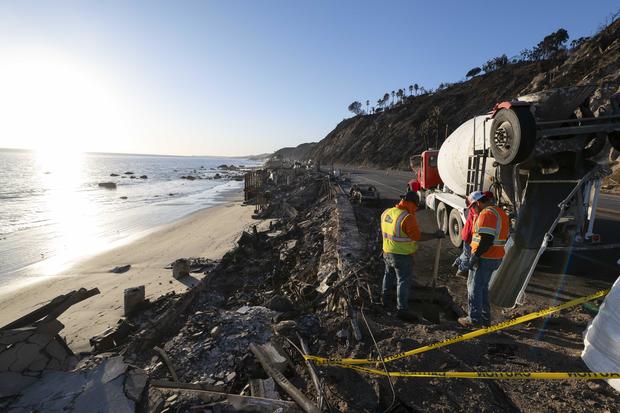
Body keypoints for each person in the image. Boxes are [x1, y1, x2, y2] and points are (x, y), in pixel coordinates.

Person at [381, 191, 445, 322]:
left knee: (388, 275)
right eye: (415, 206)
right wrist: (435, 235)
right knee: (403, 281)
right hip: (402, 256)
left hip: (387, 252)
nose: (416, 209)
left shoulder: (387, 212)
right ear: (411, 203)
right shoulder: (407, 217)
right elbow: (417, 236)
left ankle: (385, 300)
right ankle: (402, 310)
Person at [458, 191, 509, 327]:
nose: (473, 211)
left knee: (475, 288)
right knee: (483, 288)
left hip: (486, 257)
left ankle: (474, 319)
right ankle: (486, 319)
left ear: (478, 203)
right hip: (495, 256)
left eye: (473, 207)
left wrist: (475, 256)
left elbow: (486, 240)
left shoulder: (487, 213)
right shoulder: (499, 212)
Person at [453, 191, 493, 277]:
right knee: (467, 255)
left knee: (466, 253)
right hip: (469, 236)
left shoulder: (476, 208)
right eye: (488, 200)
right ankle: (461, 271)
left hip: (467, 235)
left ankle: (457, 262)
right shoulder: (477, 211)